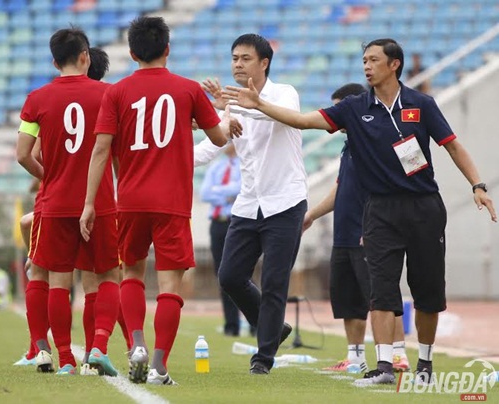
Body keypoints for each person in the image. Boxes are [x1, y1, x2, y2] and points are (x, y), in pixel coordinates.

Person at [223, 38, 496, 385]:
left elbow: (453, 146)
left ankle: (425, 363)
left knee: (427, 291)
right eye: (363, 60)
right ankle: (383, 367)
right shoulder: (354, 107)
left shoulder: (422, 104)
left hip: (425, 207)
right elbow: (304, 121)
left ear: (394, 64)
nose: (366, 66)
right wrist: (260, 104)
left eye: (373, 60)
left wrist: (478, 185)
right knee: (381, 289)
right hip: (379, 209)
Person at [79, 16, 230, 385]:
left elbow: (100, 150)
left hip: (128, 199)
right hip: (172, 201)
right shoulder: (188, 90)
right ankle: (160, 366)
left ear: (132, 53)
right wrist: (223, 109)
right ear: (167, 48)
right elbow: (220, 139)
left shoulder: (116, 92)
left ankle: (136, 345)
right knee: (169, 285)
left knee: (130, 272)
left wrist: (89, 204)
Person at [196, 33, 306, 376]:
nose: (238, 64)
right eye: (234, 59)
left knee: (274, 281)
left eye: (245, 58)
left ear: (264, 63)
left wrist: (242, 107)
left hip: (285, 202)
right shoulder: (229, 105)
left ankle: (263, 358)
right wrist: (164, 158)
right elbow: (209, 147)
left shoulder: (284, 93)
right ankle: (273, 326)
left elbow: (283, 117)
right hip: (248, 204)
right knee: (229, 276)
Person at [16, 27, 121, 376]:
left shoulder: (37, 99)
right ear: (85, 56)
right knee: (106, 276)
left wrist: (49, 175)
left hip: (55, 202)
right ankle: (98, 348)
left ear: (53, 60)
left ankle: (61, 358)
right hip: (100, 201)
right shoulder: (108, 95)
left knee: (55, 279)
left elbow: (22, 155)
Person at [303, 83, 409, 373]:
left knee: (381, 296)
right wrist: (311, 214)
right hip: (344, 234)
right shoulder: (348, 146)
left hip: (371, 233)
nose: (336, 120)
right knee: (349, 301)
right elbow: (341, 189)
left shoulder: (379, 142)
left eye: (340, 111)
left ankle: (398, 354)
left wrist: (383, 226)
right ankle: (355, 357)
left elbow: (401, 182)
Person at [199, 143, 252, 337]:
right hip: (218, 223)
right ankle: (231, 325)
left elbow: (243, 189)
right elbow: (204, 193)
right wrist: (228, 194)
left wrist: (220, 191)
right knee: (222, 275)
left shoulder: (246, 164)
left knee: (244, 273)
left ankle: (254, 321)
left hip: (237, 222)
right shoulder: (216, 166)